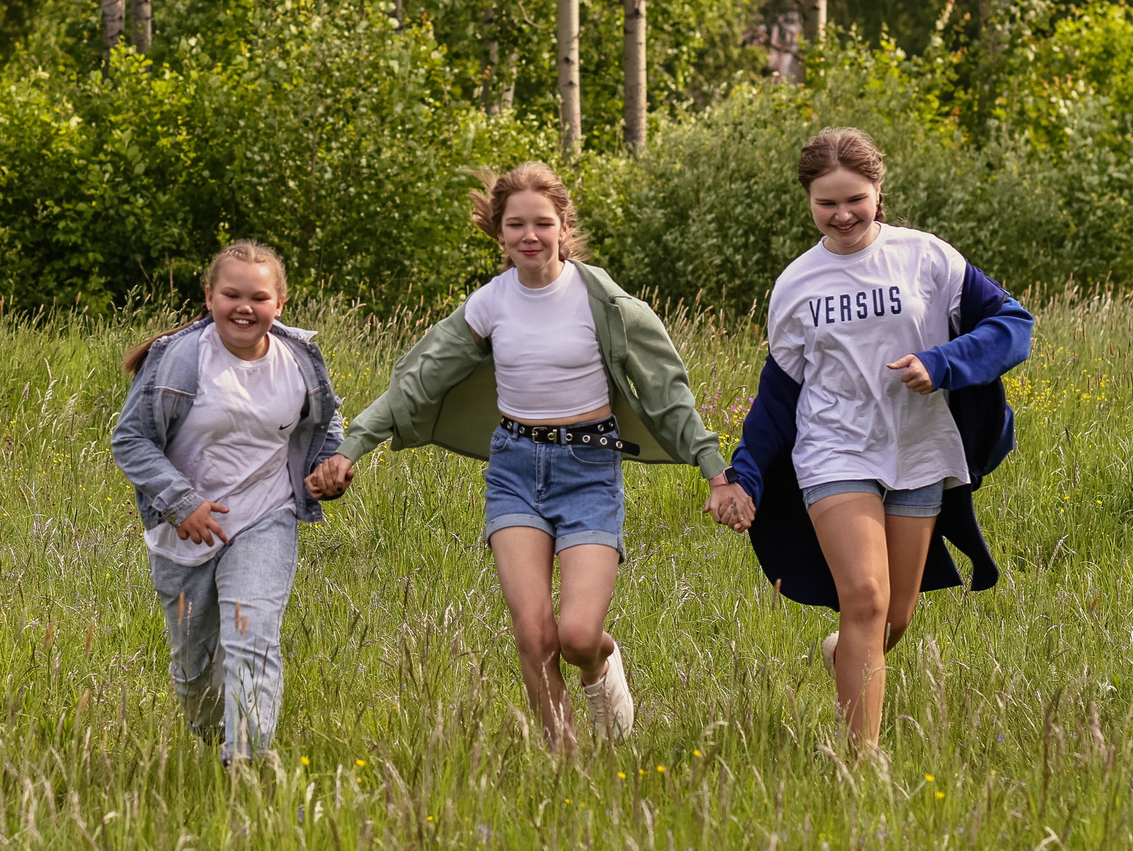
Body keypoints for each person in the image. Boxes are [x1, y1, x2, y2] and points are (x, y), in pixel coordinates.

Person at [311, 163, 743, 749]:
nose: (530, 235)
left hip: (589, 471)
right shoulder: (489, 304)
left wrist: (716, 473)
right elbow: (416, 383)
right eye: (516, 224)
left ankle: (602, 667)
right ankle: (564, 761)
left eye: (543, 222)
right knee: (535, 637)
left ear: (564, 226)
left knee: (578, 636)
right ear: (499, 232)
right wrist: (352, 447)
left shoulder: (604, 303)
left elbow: (668, 395)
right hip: (514, 470)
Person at [718, 127, 1031, 752]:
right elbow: (778, 396)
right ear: (808, 201)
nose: (842, 215)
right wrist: (743, 475)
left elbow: (1012, 325)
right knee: (863, 597)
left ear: (878, 192)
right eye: (826, 203)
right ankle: (859, 766)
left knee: (893, 617)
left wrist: (942, 363)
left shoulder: (926, 258)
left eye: (854, 199)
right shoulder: (797, 284)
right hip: (833, 451)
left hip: (918, 451)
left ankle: (846, 653)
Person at [111, 241, 348, 767]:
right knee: (195, 672)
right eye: (231, 295)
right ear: (209, 297)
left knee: (250, 638)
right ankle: (213, 733)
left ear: (279, 304)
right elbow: (130, 440)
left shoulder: (298, 359)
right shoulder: (178, 358)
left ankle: (245, 762)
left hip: (267, 517)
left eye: (259, 298)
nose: (245, 307)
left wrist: (328, 470)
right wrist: (182, 503)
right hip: (183, 533)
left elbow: (325, 423)